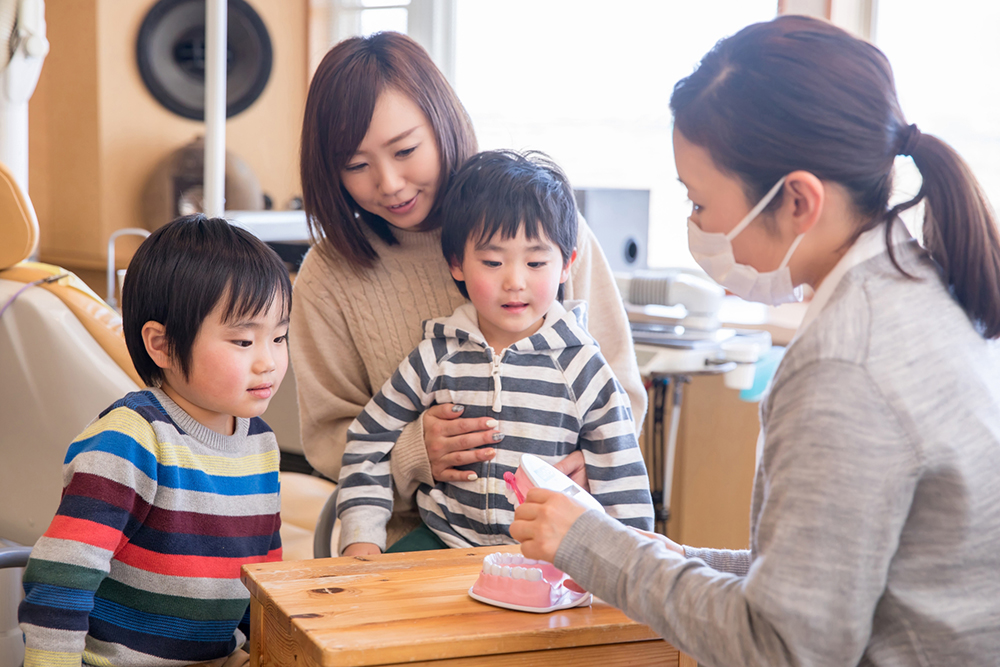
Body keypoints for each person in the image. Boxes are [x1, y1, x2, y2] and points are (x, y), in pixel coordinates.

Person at [511, 15, 1000, 666]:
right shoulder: (917, 285)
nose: (697, 228)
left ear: (798, 200)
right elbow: (804, 579)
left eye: (699, 203)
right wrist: (621, 548)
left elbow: (782, 643)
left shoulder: (845, 364)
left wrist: (592, 544)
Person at [293, 31, 645, 547]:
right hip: (414, 537)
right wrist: (417, 453)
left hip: (549, 537)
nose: (388, 182)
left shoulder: (542, 230)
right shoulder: (328, 275)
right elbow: (330, 440)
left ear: (443, 124)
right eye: (357, 165)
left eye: (405, 149)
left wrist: (594, 473)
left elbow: (618, 392)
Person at [336, 150, 654, 555]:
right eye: (491, 261)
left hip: (545, 553)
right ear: (457, 264)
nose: (515, 282)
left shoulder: (582, 367)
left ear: (567, 265)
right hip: (441, 542)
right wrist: (361, 541)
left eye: (537, 262)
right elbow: (367, 442)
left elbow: (624, 484)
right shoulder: (437, 355)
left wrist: (632, 570)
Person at [18, 215, 291, 667]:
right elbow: (61, 576)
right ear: (161, 345)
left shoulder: (261, 444)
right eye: (243, 341)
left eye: (279, 337)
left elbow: (264, 578)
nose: (269, 361)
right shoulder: (131, 439)